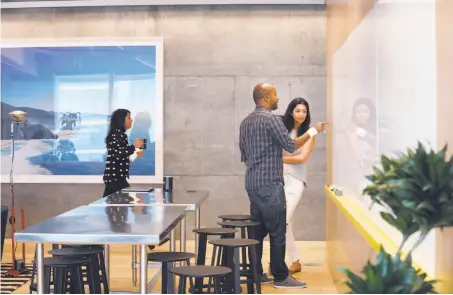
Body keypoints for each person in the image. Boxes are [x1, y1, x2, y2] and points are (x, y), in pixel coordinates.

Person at [239, 83, 328, 289]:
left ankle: (256, 274)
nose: (278, 98)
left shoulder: (245, 122)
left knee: (258, 233)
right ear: (267, 97)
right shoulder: (271, 120)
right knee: (278, 232)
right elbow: (291, 146)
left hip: (252, 184)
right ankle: (281, 277)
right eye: (275, 94)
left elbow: (245, 158)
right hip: (271, 184)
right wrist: (314, 130)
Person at [281, 97, 316, 274]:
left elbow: (302, 158)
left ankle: (282, 261)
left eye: (304, 111)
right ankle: (294, 260)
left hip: (296, 182)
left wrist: (278, 159)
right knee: (286, 223)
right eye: (298, 111)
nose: (301, 114)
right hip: (279, 179)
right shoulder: (283, 129)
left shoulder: (310, 133)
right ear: (291, 112)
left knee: (283, 220)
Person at [103, 109, 144, 197]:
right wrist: (133, 146)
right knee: (118, 204)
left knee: (112, 203)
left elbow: (122, 157)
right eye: (128, 118)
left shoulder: (120, 135)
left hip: (117, 178)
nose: (131, 120)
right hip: (115, 179)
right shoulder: (117, 135)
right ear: (121, 120)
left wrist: (136, 154)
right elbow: (117, 154)